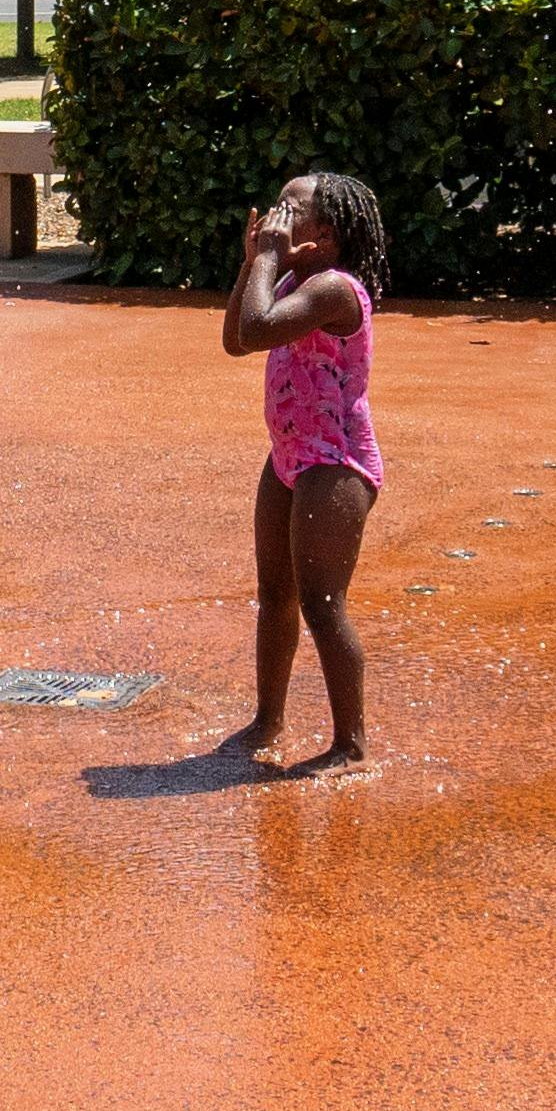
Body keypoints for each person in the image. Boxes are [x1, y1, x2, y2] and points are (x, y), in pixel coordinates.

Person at [217, 171, 384, 773]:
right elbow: (237, 340)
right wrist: (252, 266)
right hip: (288, 455)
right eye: (277, 206)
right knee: (275, 595)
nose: (277, 217)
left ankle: (352, 745)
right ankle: (268, 719)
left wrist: (266, 258)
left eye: (291, 210)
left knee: (322, 602)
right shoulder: (291, 281)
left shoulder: (334, 289)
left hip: (334, 462)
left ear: (326, 235)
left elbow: (258, 328)